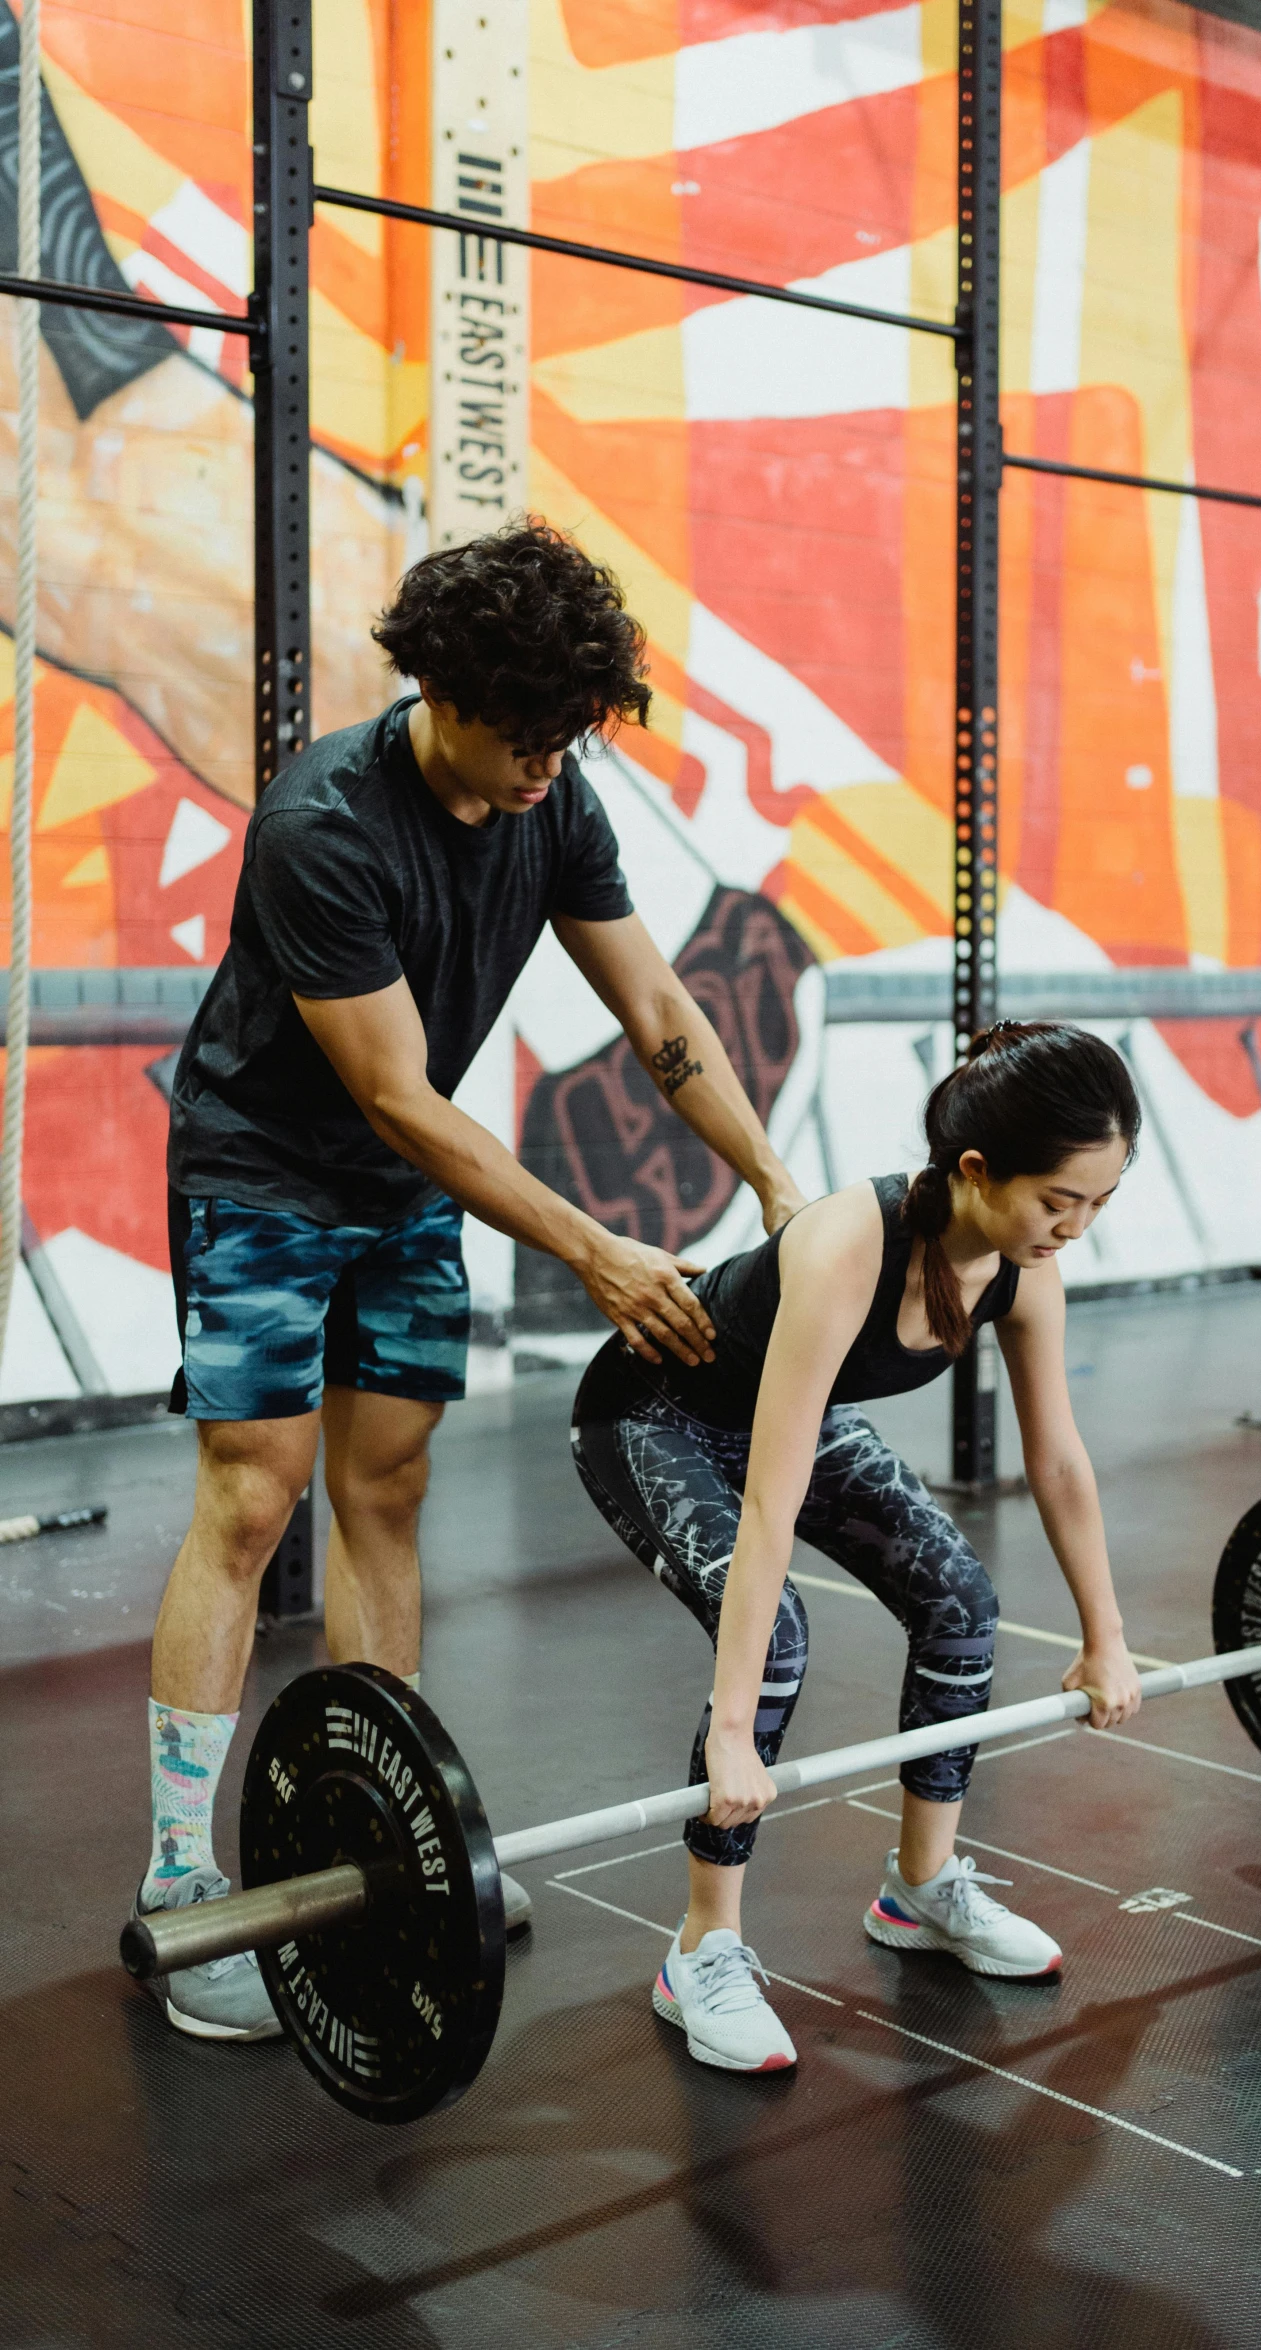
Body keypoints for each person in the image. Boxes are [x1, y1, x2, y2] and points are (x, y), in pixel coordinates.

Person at [136, 517, 806, 2041]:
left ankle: (387, 1829)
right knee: (252, 1496)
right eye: (523, 732)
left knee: (387, 1492)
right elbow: (394, 1096)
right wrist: (595, 1251)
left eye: (568, 736)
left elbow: (654, 1007)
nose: (545, 765)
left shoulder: (549, 796)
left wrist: (772, 1178)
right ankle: (183, 1876)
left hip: (407, 1182)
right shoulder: (325, 825)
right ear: (437, 687)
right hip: (263, 1168)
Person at [572, 1019, 1146, 2075]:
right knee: (778, 1631)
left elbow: (1057, 1462)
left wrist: (1104, 1637)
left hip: (773, 1417)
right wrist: (731, 1734)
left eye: (1099, 1203)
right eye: (1058, 1200)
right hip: (651, 1414)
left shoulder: (1023, 1267)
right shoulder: (851, 1243)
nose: (1076, 1227)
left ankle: (919, 1890)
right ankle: (703, 1945)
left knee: (960, 1603)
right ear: (975, 1169)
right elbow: (769, 1502)